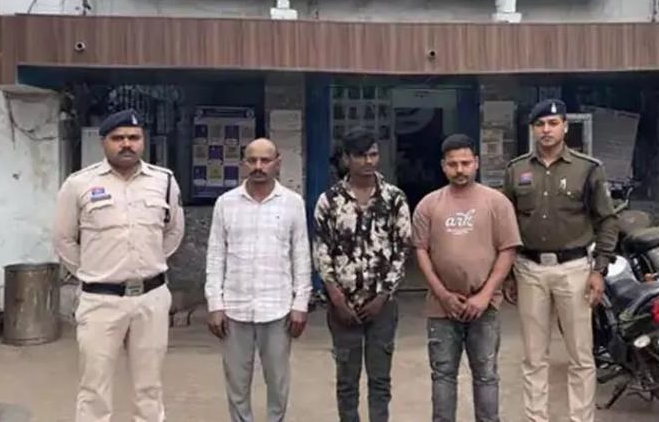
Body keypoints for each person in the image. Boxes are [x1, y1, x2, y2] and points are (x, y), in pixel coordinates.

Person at [53, 108, 184, 422]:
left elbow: (174, 231)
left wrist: (150, 262)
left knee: (149, 387)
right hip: (100, 300)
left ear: (143, 141)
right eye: (118, 138)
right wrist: (95, 271)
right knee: (94, 387)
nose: (127, 144)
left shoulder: (164, 181)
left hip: (151, 298)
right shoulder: (79, 184)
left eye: (133, 137)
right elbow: (63, 239)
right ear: (104, 142)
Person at [503, 99, 619, 422]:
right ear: (532, 129)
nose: (547, 130)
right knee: (534, 357)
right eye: (540, 124)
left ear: (565, 127)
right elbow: (506, 224)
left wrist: (599, 269)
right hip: (529, 269)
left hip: (574, 270)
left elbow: (607, 220)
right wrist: (508, 273)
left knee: (580, 356)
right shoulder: (516, 170)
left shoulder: (588, 168)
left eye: (553, 123)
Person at [412, 134, 522, 422]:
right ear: (443, 166)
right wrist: (443, 295)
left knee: (486, 374)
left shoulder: (496, 202)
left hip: (485, 307)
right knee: (443, 374)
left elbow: (508, 250)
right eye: (453, 164)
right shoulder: (428, 204)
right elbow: (421, 251)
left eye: (465, 163)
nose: (459, 170)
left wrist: (484, 296)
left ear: (477, 163)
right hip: (441, 308)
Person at [205, 138, 312, 422]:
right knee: (236, 382)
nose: (258, 167)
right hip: (234, 308)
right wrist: (215, 304)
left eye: (265, 160)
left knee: (278, 381)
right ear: (243, 163)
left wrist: (300, 303)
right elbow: (215, 256)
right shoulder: (226, 203)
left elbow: (301, 256)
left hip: (278, 308)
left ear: (278, 163)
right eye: (252, 160)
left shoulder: (292, 203)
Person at [313, 127, 412, 422]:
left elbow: (402, 250)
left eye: (373, 154)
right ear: (346, 158)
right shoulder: (329, 200)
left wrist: (383, 296)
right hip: (342, 305)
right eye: (360, 155)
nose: (368, 161)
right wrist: (336, 298)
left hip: (382, 305)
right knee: (347, 381)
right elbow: (321, 251)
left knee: (380, 380)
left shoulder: (394, 198)